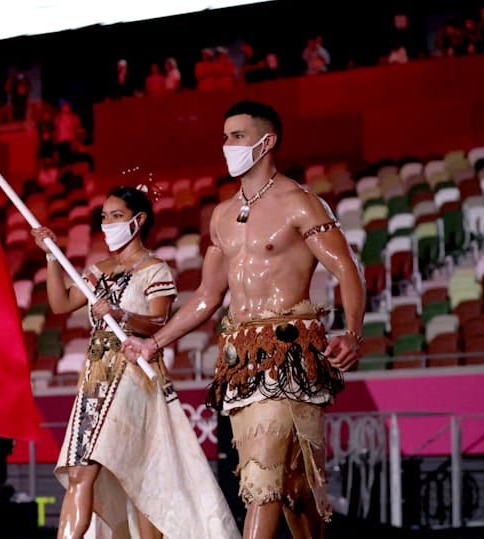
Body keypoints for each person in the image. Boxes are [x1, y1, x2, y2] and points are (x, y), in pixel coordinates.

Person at [122, 100, 364, 539]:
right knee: (291, 490)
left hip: (290, 352)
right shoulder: (221, 216)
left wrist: (352, 331)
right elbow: (207, 296)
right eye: (225, 137)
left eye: (237, 136)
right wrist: (153, 343)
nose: (227, 145)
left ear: (267, 142)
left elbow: (347, 268)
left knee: (263, 481)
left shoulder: (301, 204)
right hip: (241, 361)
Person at [33, 186, 239, 539]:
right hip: (95, 378)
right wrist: (52, 257)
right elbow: (61, 304)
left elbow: (160, 322)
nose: (108, 224)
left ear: (138, 220)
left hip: (133, 375)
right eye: (104, 217)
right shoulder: (99, 269)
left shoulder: (155, 270)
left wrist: (121, 314)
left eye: (117, 216)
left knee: (133, 472)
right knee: (80, 469)